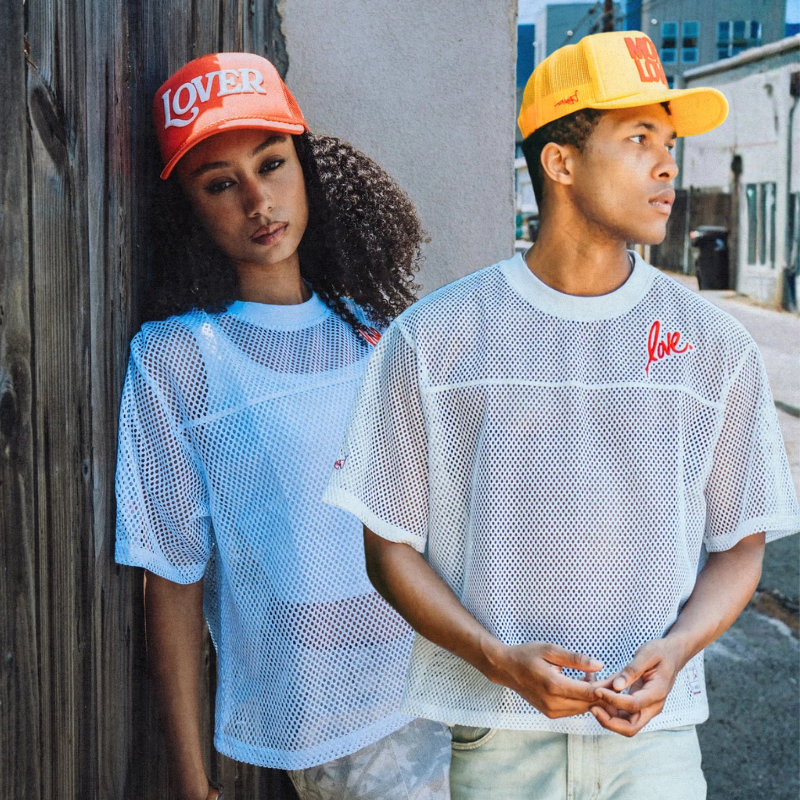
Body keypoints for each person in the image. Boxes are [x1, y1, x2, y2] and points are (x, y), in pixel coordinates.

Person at [323, 30, 800, 800]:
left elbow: (741, 544)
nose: (668, 163)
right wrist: (494, 657)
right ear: (562, 162)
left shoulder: (716, 346)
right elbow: (388, 549)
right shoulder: (436, 340)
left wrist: (677, 650)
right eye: (638, 136)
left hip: (656, 742)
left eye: (669, 140)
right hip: (497, 731)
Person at [115, 52, 451, 800]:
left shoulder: (378, 334)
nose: (258, 201)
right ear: (190, 209)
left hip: (456, 676)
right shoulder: (181, 360)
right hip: (335, 717)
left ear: (308, 169)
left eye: (272, 164)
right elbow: (170, 575)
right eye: (220, 184)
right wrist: (191, 779)